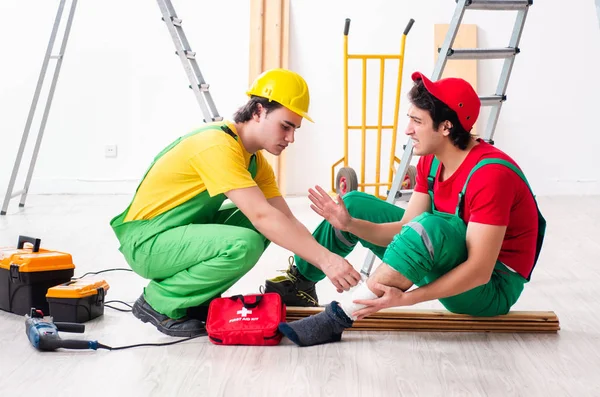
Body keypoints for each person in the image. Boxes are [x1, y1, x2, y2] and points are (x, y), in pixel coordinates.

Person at [269, 71, 546, 347]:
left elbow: (479, 271)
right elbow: (404, 230)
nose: (408, 130)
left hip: (487, 289)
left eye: (417, 121)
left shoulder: (490, 175)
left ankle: (338, 318)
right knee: (353, 206)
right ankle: (301, 283)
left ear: (446, 127)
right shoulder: (432, 161)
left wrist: (406, 299)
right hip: (447, 260)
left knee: (431, 227)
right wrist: (349, 224)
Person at [109, 68, 361, 337]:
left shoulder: (255, 161)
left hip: (173, 233)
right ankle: (158, 302)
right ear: (258, 111)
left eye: (295, 129)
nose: (290, 138)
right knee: (247, 240)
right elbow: (262, 217)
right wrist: (327, 260)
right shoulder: (217, 145)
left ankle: (193, 299)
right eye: (285, 126)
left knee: (265, 226)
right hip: (147, 243)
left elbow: (285, 220)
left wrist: (320, 265)